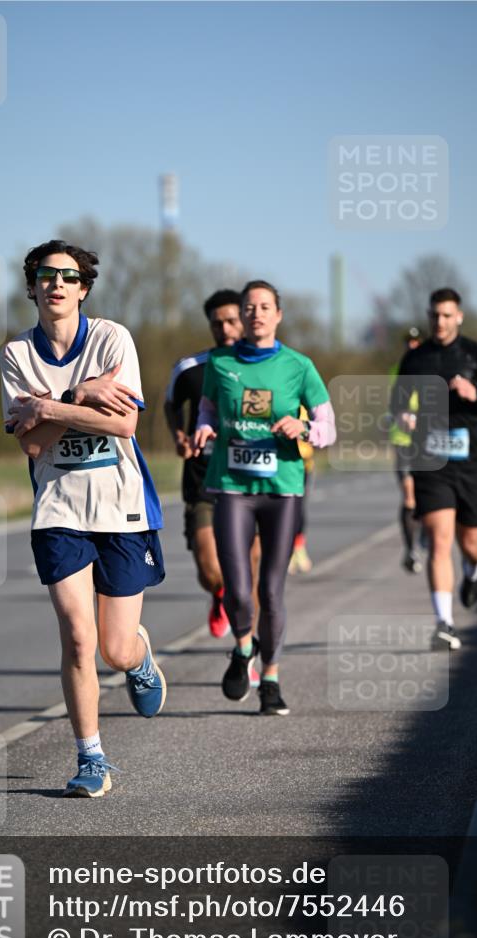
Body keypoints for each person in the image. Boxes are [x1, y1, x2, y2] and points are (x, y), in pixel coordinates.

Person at [0, 239, 166, 798]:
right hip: (58, 510)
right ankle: (91, 757)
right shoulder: (16, 354)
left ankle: (139, 659)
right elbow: (31, 446)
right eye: (46, 275)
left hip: (121, 506)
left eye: (68, 277)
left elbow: (123, 425)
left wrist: (49, 406)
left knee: (113, 649)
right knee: (77, 636)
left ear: (83, 288)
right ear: (32, 287)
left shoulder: (112, 338)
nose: (57, 284)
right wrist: (83, 396)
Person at [193, 280, 336, 715]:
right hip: (232, 486)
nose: (256, 313)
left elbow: (329, 428)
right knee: (237, 589)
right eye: (249, 307)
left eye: (265, 307)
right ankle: (243, 648)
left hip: (282, 489)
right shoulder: (220, 363)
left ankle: (270, 679)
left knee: (271, 591)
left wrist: (304, 428)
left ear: (278, 315)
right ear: (241, 315)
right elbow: (207, 409)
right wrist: (204, 428)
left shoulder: (299, 366)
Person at [391, 288, 477, 650]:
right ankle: (444, 624)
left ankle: (473, 570)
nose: (440, 321)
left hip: (472, 462)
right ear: (428, 316)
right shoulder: (415, 359)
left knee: (471, 542)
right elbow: (397, 402)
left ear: (459, 317)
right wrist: (404, 415)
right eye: (435, 315)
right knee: (439, 539)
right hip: (431, 462)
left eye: (447, 315)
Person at [164, 289, 261, 639]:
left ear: (245, 320)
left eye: (232, 321)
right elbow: (171, 404)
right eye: (218, 323)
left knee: (250, 570)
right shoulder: (191, 368)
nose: (226, 329)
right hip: (203, 480)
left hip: (250, 480)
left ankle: (247, 648)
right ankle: (220, 593)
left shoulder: (263, 366)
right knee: (210, 571)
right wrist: (178, 435)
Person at [388, 327, 424, 574]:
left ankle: (425, 535)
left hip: (426, 441)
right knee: (409, 495)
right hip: (403, 440)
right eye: (408, 341)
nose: (412, 346)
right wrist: (401, 415)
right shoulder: (397, 371)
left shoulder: (431, 368)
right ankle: (411, 549)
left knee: (425, 495)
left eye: (416, 341)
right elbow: (393, 403)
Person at [287, 405, 314, 575]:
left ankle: (299, 547)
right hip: (281, 463)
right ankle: (287, 551)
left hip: (302, 464)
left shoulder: (305, 400)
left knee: (298, 508)